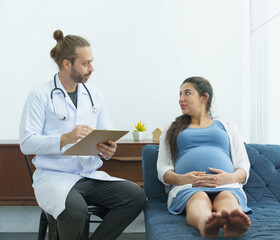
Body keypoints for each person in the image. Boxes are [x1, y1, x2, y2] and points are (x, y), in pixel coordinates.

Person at [19, 30, 146, 240]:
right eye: (85, 63)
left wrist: (108, 149)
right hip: (54, 177)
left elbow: (105, 134)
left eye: (92, 62)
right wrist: (66, 138)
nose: (91, 68)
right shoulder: (39, 96)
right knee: (75, 210)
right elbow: (27, 144)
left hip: (89, 175)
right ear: (67, 64)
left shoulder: (95, 94)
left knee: (136, 196)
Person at [157, 77, 252, 238]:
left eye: (187, 93)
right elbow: (162, 168)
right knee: (198, 198)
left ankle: (232, 223)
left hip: (226, 186)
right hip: (189, 188)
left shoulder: (227, 126)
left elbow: (243, 166)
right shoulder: (171, 129)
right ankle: (206, 224)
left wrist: (228, 178)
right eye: (180, 94)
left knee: (226, 197)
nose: (181, 99)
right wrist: (185, 179)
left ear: (204, 97)